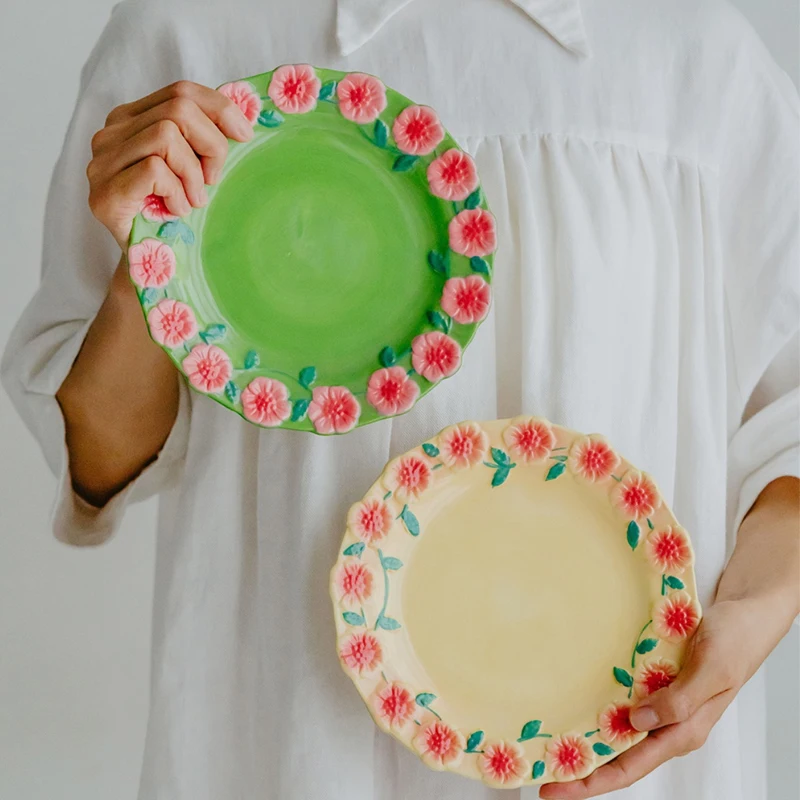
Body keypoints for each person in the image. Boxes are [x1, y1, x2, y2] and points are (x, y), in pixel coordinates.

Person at [3, 0, 798, 798]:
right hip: (290, 744)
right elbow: (95, 458)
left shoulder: (695, 51)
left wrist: (751, 620)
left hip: (615, 732)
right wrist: (150, 261)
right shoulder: (194, 27)